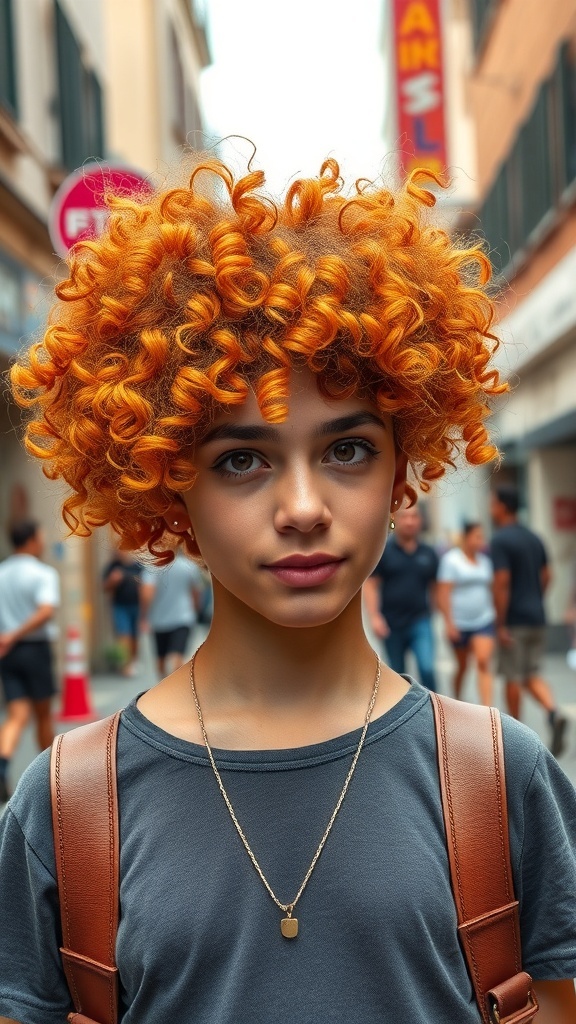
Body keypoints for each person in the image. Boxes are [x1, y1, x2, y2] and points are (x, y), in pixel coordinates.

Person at [1, 155, 575, 1023]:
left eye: (347, 449)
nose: (304, 509)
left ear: (401, 469)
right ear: (167, 483)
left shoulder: (501, 780)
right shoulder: (68, 807)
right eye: (242, 460)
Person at [491, 485, 568, 757]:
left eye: (493, 503)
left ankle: (516, 736)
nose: (491, 508)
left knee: (512, 675)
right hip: (537, 616)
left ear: (502, 507)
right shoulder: (534, 537)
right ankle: (552, 711)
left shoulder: (500, 540)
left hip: (514, 620)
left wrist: (500, 623)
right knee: (531, 674)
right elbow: (548, 574)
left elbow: (502, 582)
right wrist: (536, 598)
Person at [0, 521, 59, 804]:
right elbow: (46, 611)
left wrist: (7, 637)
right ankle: (51, 779)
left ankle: (3, 762)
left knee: (16, 716)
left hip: (7, 652)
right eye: (41, 535)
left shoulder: (2, 572)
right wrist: (16, 633)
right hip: (34, 650)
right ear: (32, 541)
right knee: (43, 716)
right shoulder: (42, 573)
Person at [363, 505, 438, 691]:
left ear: (420, 520)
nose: (410, 521)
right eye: (405, 517)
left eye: (414, 517)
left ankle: (434, 709)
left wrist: (437, 612)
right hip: (392, 623)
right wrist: (375, 617)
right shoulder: (384, 551)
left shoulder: (428, 553)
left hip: (420, 620)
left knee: (427, 667)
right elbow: (371, 585)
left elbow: (436, 586)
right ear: (396, 519)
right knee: (398, 675)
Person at [437, 522, 495, 705]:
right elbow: (443, 592)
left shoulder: (485, 561)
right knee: (463, 666)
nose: (480, 541)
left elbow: (491, 589)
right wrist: (449, 623)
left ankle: (487, 709)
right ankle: (457, 700)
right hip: (459, 622)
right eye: (477, 536)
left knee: (483, 661)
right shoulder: (451, 560)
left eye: (482, 537)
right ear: (466, 537)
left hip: (484, 620)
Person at [140, 553, 205, 677]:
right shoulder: (188, 565)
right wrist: (196, 609)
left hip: (159, 619)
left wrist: (144, 616)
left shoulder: (153, 565)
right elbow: (196, 591)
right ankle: (176, 689)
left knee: (161, 660)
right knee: (177, 656)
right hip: (183, 617)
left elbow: (146, 593)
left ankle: (165, 689)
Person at [102, 549, 143, 676]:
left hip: (137, 605)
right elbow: (105, 587)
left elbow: (146, 585)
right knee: (124, 634)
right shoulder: (112, 566)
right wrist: (113, 581)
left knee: (135, 636)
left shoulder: (138, 566)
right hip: (120, 606)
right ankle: (126, 665)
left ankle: (134, 661)